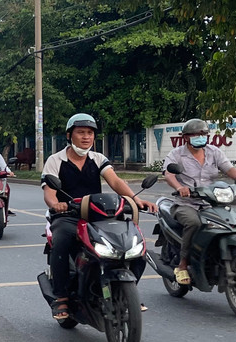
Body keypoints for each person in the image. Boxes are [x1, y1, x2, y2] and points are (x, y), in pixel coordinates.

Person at [42, 113, 155, 321]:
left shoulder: (98, 159)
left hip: (98, 214)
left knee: (135, 245)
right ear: (69, 135)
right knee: (61, 241)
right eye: (81, 132)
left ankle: (125, 291)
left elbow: (115, 181)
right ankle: (61, 296)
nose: (86, 137)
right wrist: (56, 204)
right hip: (68, 215)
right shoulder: (55, 160)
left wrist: (135, 200)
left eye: (90, 133)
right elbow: (49, 191)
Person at [161, 118, 236, 285]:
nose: (200, 137)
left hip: (212, 203)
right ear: (186, 137)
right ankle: (182, 265)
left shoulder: (213, 152)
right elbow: (169, 174)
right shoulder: (176, 154)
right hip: (186, 204)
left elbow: (229, 169)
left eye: (203, 134)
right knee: (194, 223)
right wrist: (180, 187)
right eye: (196, 134)